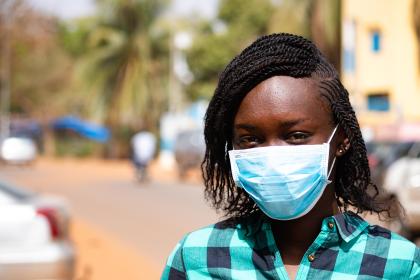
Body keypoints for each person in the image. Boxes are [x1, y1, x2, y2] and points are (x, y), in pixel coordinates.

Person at [161, 33, 419, 279]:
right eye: (250, 139)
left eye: (296, 135)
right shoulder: (197, 259)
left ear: (341, 141)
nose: (272, 153)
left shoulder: (397, 265)